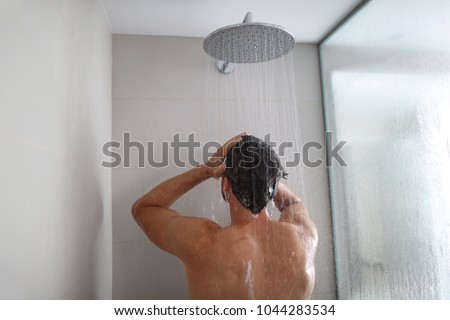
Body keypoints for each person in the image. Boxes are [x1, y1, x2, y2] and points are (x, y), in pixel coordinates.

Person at [132, 133, 318, 299]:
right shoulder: (303, 237)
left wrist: (205, 170)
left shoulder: (203, 243)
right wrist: (263, 173)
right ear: (274, 184)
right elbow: (293, 203)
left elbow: (144, 209)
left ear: (225, 184)